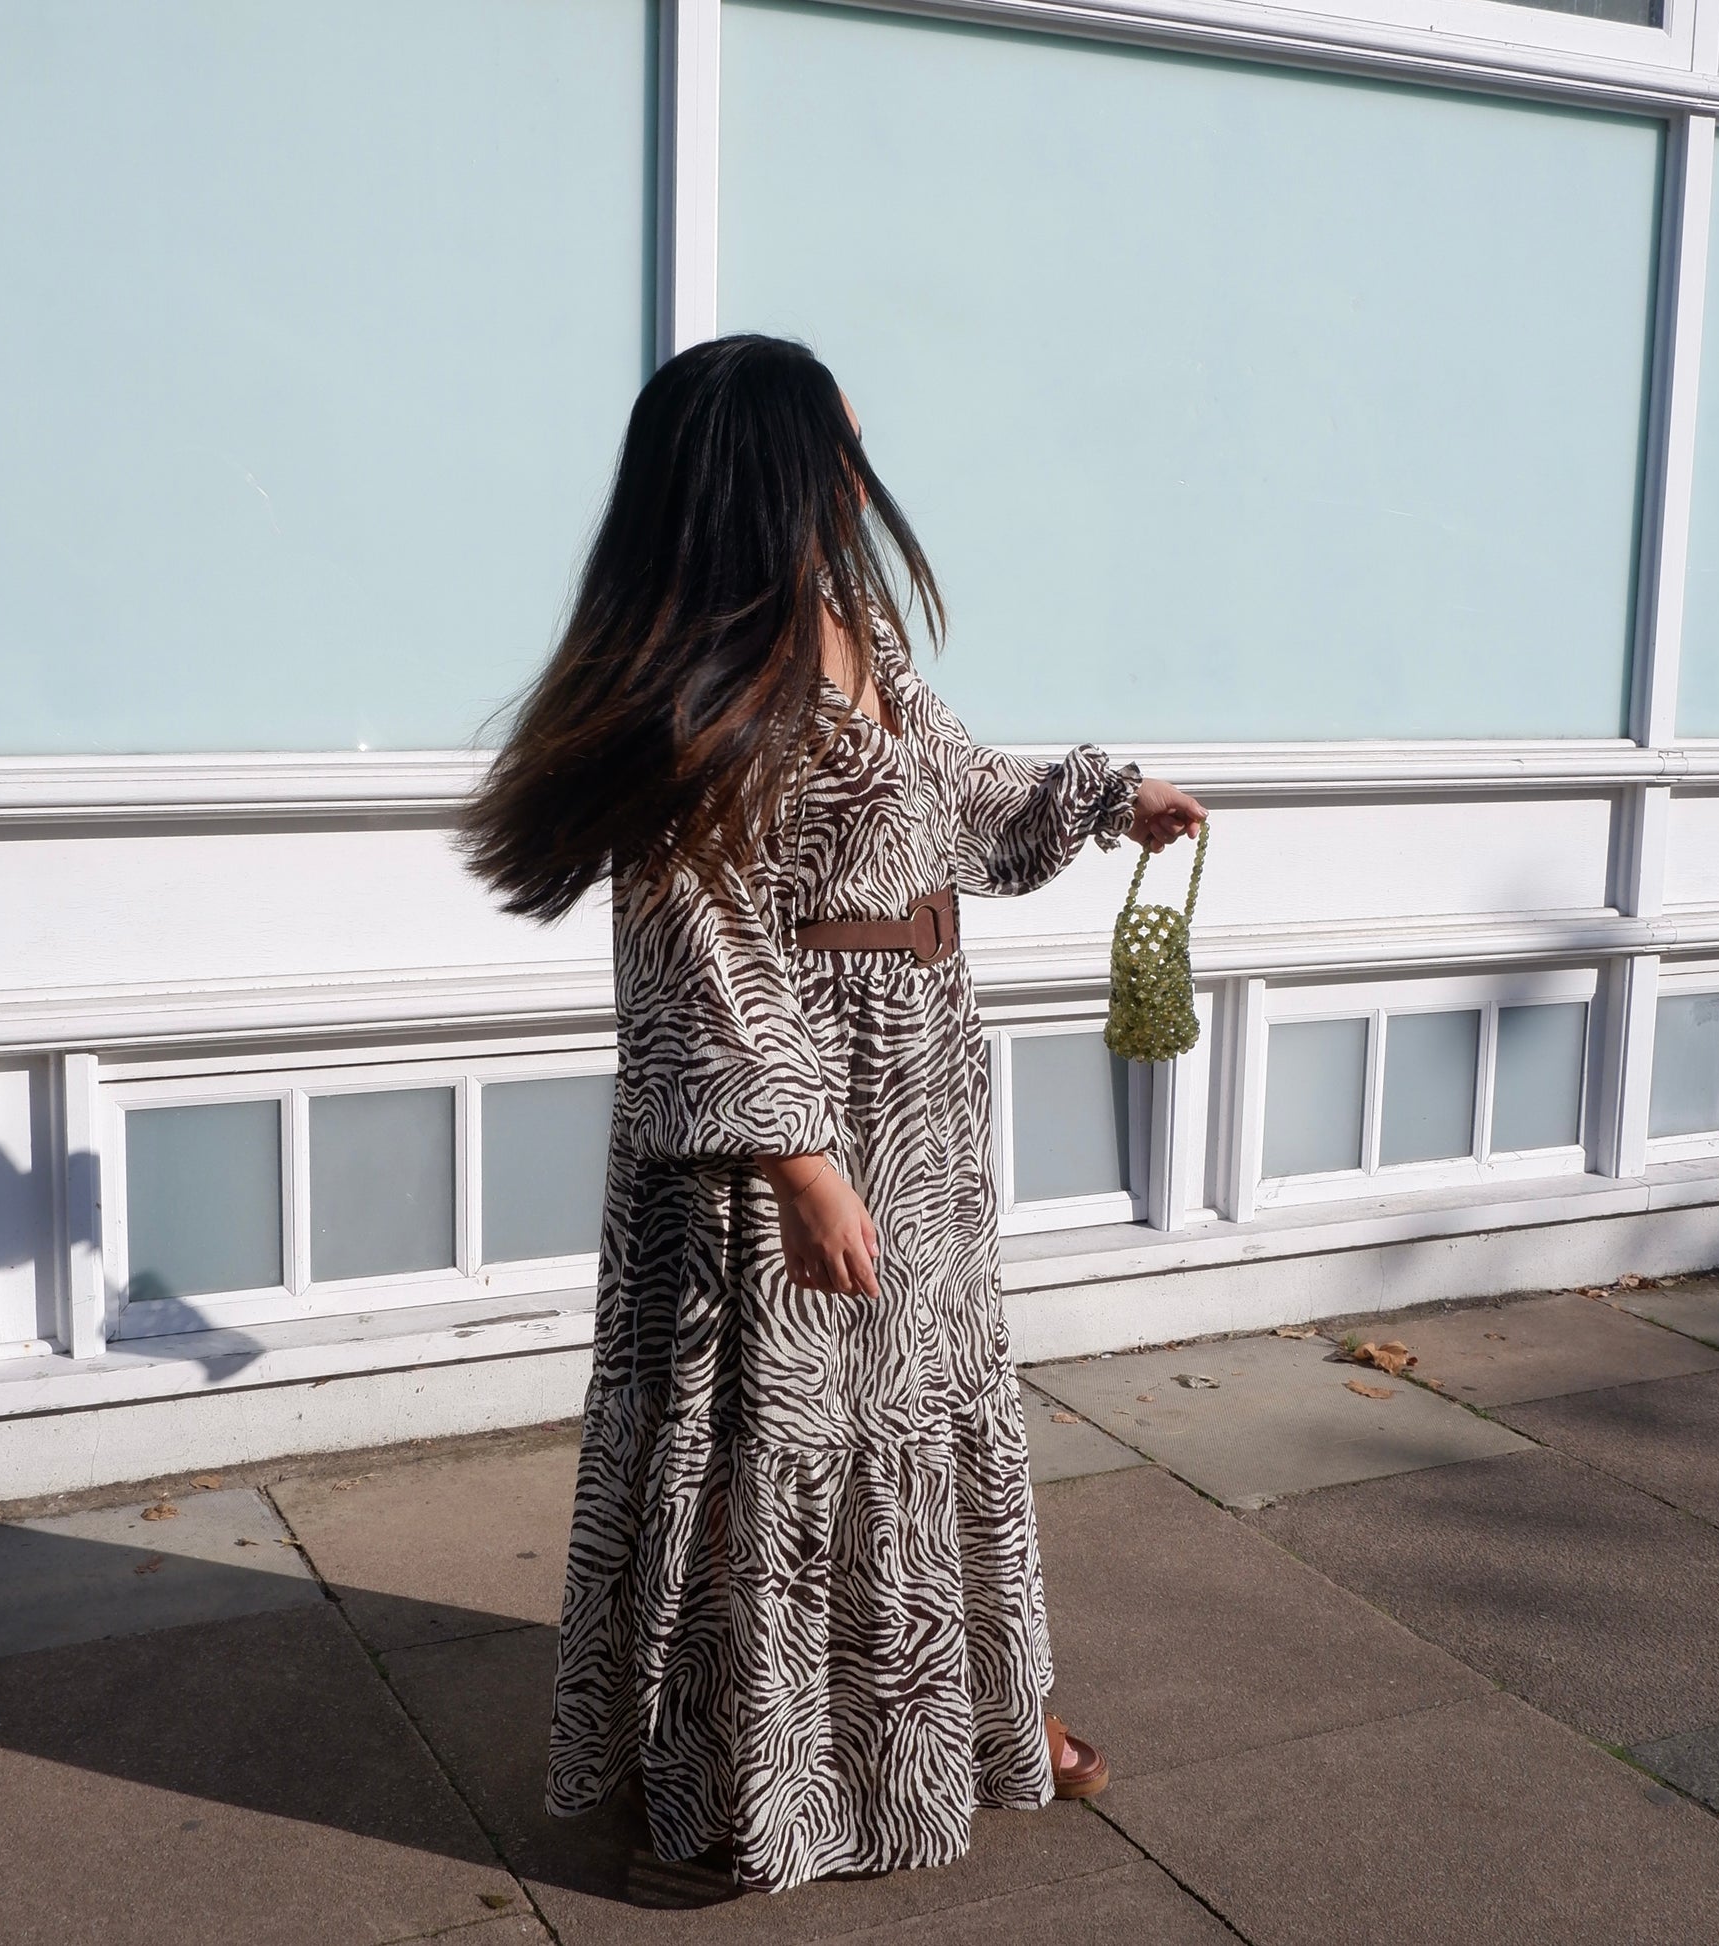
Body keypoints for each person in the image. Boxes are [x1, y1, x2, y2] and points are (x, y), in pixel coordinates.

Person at [460, 334, 1206, 1895]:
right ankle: (754, 1775)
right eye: (840, 446)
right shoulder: (696, 678)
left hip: (920, 1089)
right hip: (785, 1114)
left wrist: (1099, 795)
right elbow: (692, 939)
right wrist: (796, 1159)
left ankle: (953, 1717)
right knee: (771, 1436)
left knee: (924, 1411)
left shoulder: (851, 627)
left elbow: (957, 789)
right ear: (773, 469)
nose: (865, 475)